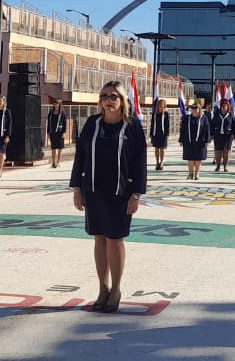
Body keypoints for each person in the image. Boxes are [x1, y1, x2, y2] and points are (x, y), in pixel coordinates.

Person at [70, 81, 147, 313]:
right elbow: (80, 155)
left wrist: (136, 193)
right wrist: (77, 188)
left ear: (122, 100)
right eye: (104, 96)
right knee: (99, 238)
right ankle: (102, 289)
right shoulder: (92, 124)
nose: (108, 100)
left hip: (121, 193)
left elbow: (140, 162)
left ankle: (116, 290)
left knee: (115, 239)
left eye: (113, 96)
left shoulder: (132, 126)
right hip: (93, 190)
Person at [179, 102, 211, 180]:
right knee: (190, 159)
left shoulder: (204, 118)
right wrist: (181, 140)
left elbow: (207, 130)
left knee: (198, 159)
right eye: (192, 108)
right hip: (189, 141)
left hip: (200, 141)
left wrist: (207, 141)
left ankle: (197, 174)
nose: (194, 109)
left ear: (199, 109)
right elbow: (183, 129)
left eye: (195, 107)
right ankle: (190, 174)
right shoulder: (187, 118)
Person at [210, 99, 235, 172]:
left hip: (228, 136)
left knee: (226, 152)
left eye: (225, 106)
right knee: (218, 151)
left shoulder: (231, 115)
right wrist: (211, 134)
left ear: (228, 107)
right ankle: (218, 166)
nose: (223, 108)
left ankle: (225, 166)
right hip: (218, 136)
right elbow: (212, 125)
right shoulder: (216, 115)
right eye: (222, 106)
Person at [149, 98, 171, 171]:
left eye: (163, 105)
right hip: (155, 133)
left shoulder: (166, 114)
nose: (161, 107)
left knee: (162, 149)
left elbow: (167, 125)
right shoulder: (154, 114)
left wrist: (167, 134)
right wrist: (151, 134)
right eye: (160, 105)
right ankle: (157, 162)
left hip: (163, 134)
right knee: (156, 149)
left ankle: (161, 162)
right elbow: (152, 125)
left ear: (164, 106)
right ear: (158, 106)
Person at [47, 99, 68, 169]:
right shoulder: (51, 112)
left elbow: (65, 123)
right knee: (53, 148)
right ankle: (53, 163)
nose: (55, 104)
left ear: (59, 104)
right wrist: (48, 132)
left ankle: (58, 162)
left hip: (60, 132)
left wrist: (64, 132)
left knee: (60, 148)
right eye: (54, 103)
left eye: (56, 103)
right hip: (52, 132)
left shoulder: (62, 113)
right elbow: (49, 123)